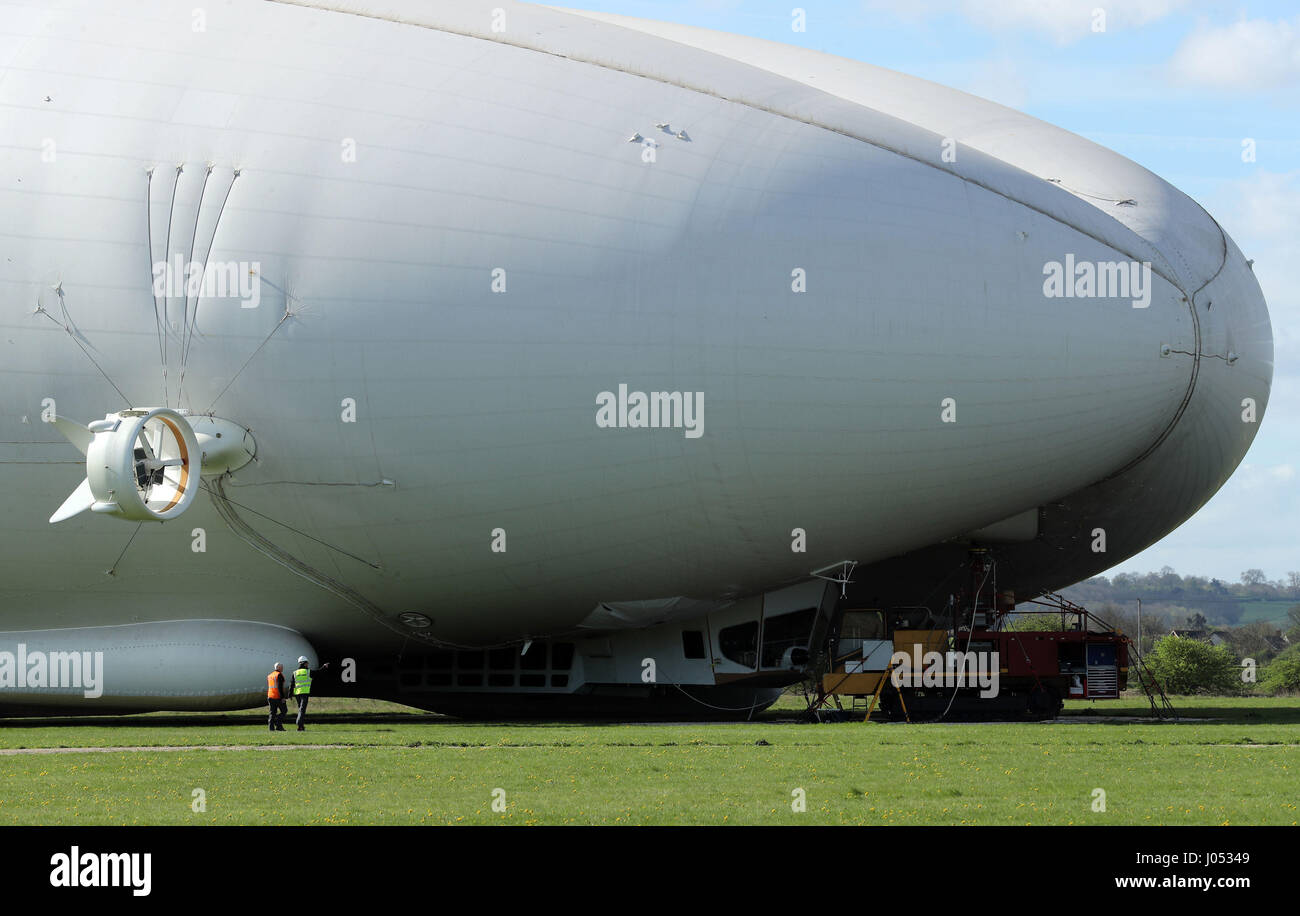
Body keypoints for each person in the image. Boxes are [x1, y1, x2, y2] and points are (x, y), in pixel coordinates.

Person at [292, 656, 330, 731]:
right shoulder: (308, 672)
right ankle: (299, 723)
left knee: (300, 709)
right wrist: (324, 667)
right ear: (305, 663)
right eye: (307, 663)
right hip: (304, 693)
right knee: (302, 709)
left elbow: (291, 684)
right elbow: (318, 673)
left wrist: (290, 694)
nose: (308, 664)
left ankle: (301, 727)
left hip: (297, 693)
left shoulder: (295, 672)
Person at [266, 662, 287, 731]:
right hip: (277, 697)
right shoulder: (279, 675)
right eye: (281, 667)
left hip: (270, 696)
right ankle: (278, 724)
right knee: (284, 711)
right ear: (278, 667)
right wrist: (283, 698)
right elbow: (279, 688)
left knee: (272, 712)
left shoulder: (270, 675)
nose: (282, 668)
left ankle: (271, 728)